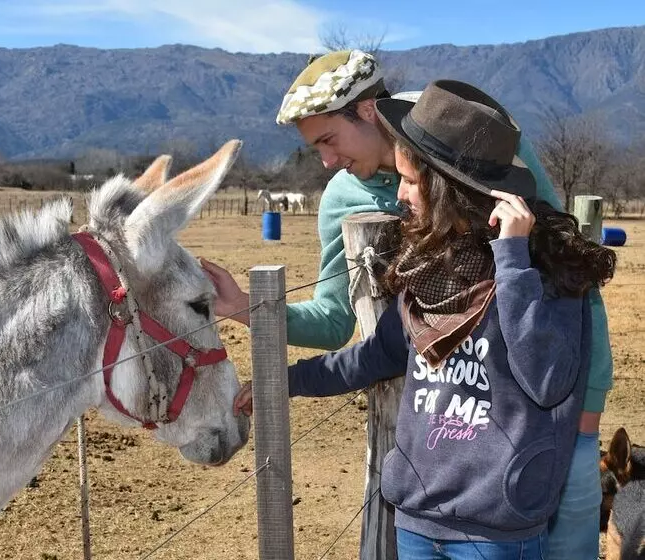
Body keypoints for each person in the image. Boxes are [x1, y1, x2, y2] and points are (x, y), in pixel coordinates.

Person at [202, 50, 614, 559]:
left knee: (571, 535)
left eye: (328, 140)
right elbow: (344, 330)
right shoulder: (345, 203)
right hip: (434, 491)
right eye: (315, 149)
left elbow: (555, 264)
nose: (327, 162)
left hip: (520, 467)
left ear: (371, 111)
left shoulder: (469, 126)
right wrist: (247, 309)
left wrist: (588, 405)